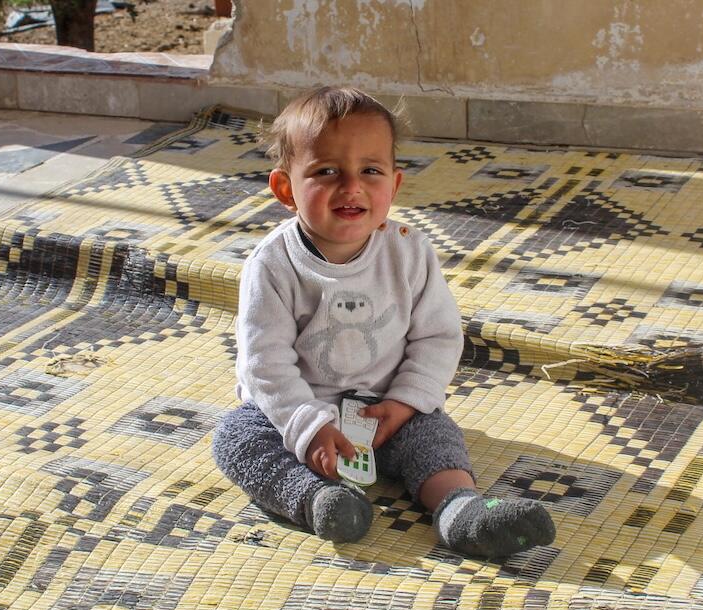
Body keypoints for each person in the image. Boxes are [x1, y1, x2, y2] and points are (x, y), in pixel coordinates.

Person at [212, 86, 555, 558]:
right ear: (286, 189)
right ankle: (318, 500)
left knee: (435, 436)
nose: (351, 186)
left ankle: (462, 512)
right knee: (235, 438)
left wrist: (406, 402)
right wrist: (309, 429)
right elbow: (264, 363)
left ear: (393, 186)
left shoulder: (409, 251)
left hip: (385, 412)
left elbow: (437, 336)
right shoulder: (272, 264)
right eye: (327, 171)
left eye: (370, 171)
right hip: (296, 409)